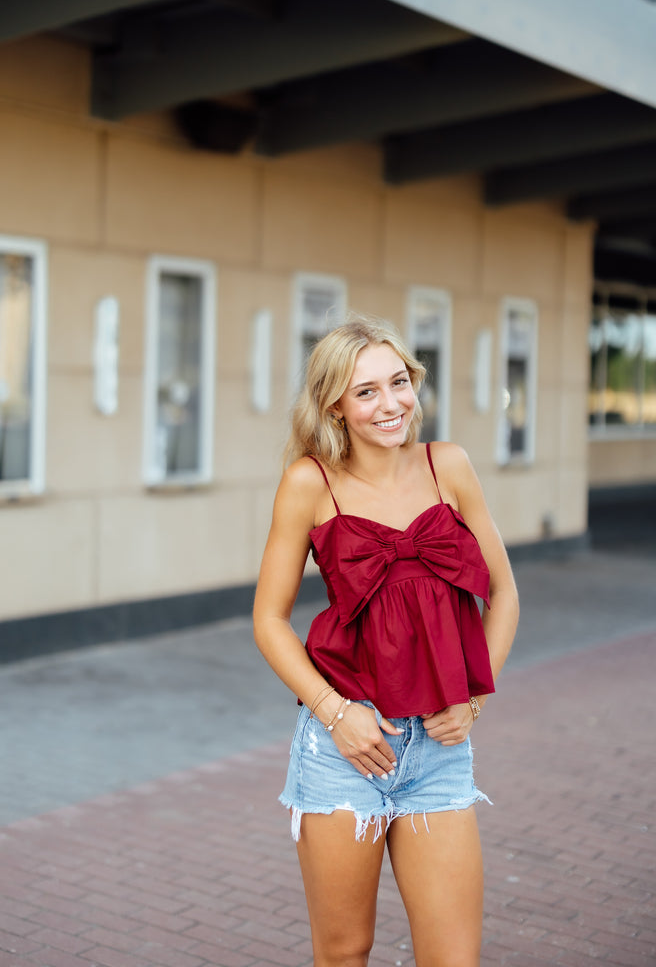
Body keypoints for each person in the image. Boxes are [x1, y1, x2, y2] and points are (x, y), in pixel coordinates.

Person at [253, 315, 520, 967]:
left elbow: (505, 595)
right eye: (365, 391)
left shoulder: (447, 466)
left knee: (453, 959)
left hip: (439, 750)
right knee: (346, 952)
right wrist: (336, 715)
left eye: (398, 382)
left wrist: (475, 697)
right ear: (335, 406)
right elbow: (268, 620)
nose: (390, 403)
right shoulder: (309, 484)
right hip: (344, 748)